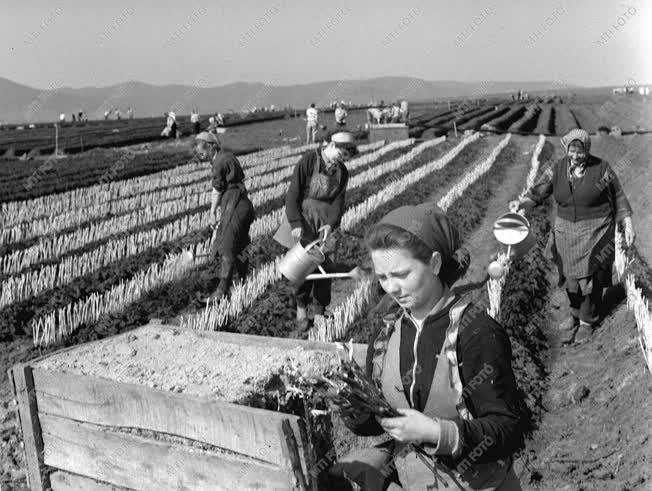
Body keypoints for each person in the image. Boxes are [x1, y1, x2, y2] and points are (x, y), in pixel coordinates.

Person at [333, 203, 525, 490]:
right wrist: (355, 407)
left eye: (401, 274)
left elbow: (509, 429)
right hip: (416, 478)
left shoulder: (476, 332)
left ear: (434, 263)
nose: (392, 288)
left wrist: (437, 432)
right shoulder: (387, 333)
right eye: (383, 278)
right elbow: (378, 423)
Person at [511, 129, 635, 343]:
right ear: (566, 148)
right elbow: (539, 191)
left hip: (596, 229)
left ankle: (588, 321)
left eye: (580, 151)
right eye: (572, 150)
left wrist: (628, 222)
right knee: (570, 277)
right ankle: (575, 312)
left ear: (587, 149)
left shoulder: (601, 168)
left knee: (589, 277)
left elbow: (618, 195)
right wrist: (521, 203)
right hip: (565, 230)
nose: (576, 155)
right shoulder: (557, 169)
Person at [273, 131, 359, 332]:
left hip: (325, 223)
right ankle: (301, 309)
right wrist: (295, 223)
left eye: (345, 155)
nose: (341, 157)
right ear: (329, 144)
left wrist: (331, 224)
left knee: (325, 268)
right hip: (305, 219)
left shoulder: (342, 172)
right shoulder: (309, 161)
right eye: (340, 151)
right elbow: (293, 194)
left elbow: (339, 202)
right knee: (303, 265)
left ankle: (320, 311)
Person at [194, 132, 255, 302]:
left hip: (235, 204)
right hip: (242, 205)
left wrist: (212, 212)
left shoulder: (220, 161)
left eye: (201, 149)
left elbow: (217, 189)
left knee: (227, 246)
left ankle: (221, 290)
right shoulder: (225, 157)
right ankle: (241, 283)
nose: (199, 154)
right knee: (241, 245)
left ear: (211, 146)